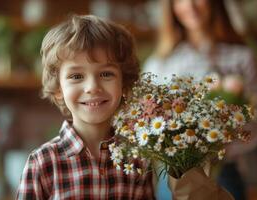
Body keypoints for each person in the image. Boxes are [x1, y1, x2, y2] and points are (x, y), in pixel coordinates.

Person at [16, 14, 233, 199]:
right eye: (76, 76)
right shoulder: (43, 162)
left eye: (106, 74)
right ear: (58, 90)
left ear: (125, 84)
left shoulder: (139, 159)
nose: (92, 87)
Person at [144, 0, 257, 200]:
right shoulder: (159, 64)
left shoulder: (241, 58)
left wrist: (213, 151)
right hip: (173, 177)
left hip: (225, 174)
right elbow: (148, 125)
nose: (190, 6)